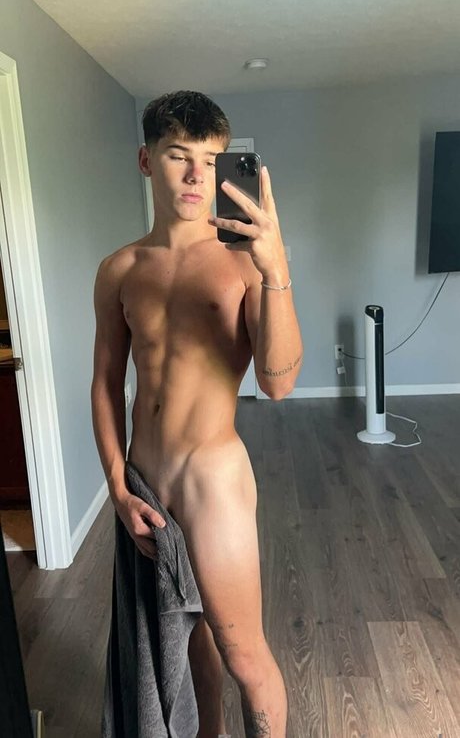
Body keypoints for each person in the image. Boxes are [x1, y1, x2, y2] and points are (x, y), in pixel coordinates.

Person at [91, 90, 303, 737]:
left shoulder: (242, 262)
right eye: (177, 156)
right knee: (186, 643)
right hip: (146, 481)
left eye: (210, 161)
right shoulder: (120, 269)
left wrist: (275, 269)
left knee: (244, 654)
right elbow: (105, 382)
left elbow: (278, 383)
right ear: (146, 160)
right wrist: (118, 487)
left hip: (212, 480)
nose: (194, 175)